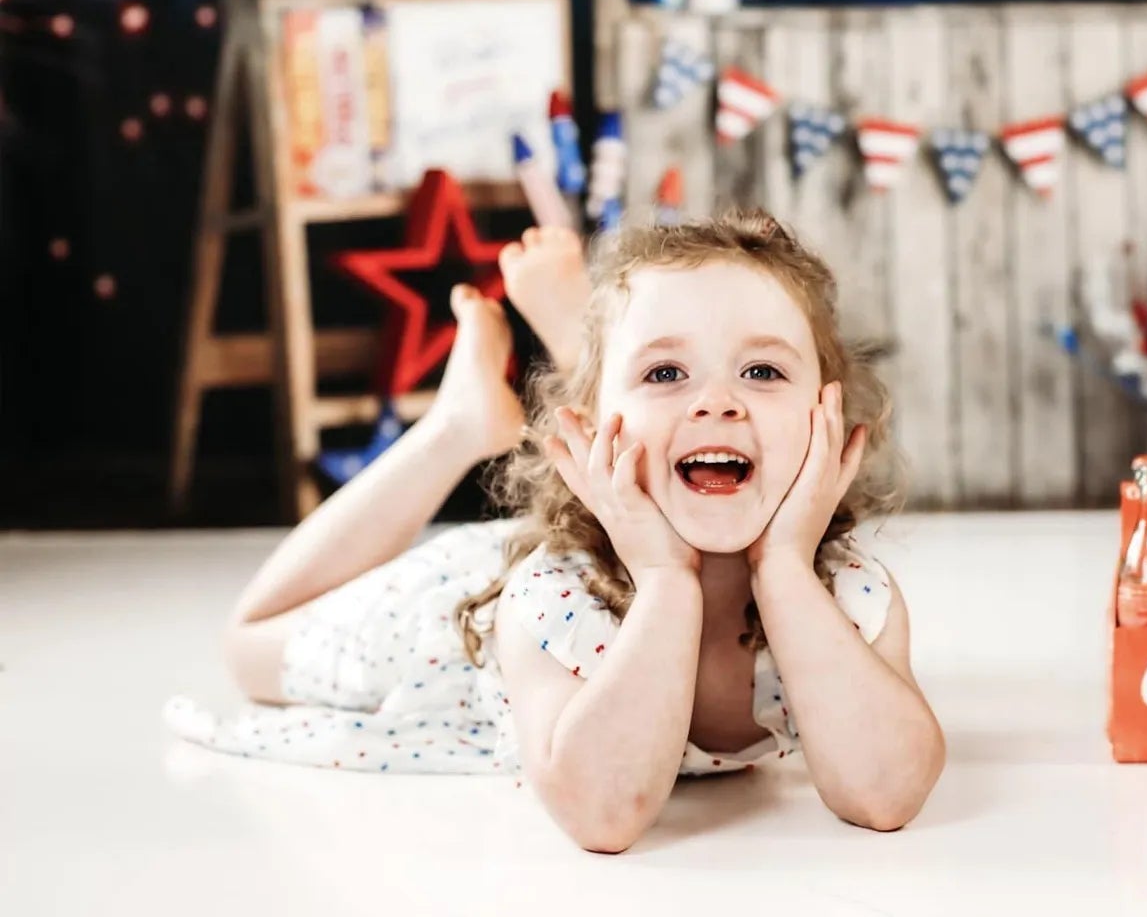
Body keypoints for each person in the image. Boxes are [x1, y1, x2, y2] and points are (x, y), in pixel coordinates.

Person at [165, 214, 945, 851]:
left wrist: (782, 567)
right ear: (586, 438)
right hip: (458, 622)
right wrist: (668, 579)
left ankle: (595, 362)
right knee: (249, 647)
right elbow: (603, 815)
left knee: (655, 401)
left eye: (763, 372)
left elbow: (883, 794)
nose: (720, 403)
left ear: (832, 419)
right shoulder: (552, 602)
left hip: (628, 484)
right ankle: (457, 427)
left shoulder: (848, 598)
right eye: (668, 373)